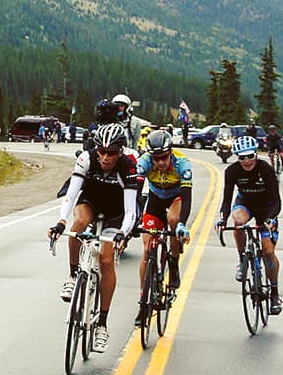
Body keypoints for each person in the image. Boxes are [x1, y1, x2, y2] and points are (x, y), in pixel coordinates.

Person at [47, 123, 139, 354]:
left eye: (111, 153)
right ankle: (72, 274)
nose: (105, 157)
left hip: (115, 213)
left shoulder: (128, 166)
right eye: (101, 152)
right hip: (90, 202)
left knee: (107, 262)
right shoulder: (87, 158)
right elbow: (71, 195)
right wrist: (60, 221)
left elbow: (130, 211)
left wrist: (122, 233)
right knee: (78, 224)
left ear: (120, 151)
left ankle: (102, 325)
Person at [214, 136, 283, 315]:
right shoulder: (232, 171)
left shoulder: (266, 169)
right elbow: (227, 198)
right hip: (245, 203)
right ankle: (242, 259)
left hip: (267, 208)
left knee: (268, 252)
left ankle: (274, 293)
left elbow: (277, 201)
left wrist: (270, 219)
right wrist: (223, 219)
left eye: (249, 156)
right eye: (241, 157)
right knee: (237, 221)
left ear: (256, 155)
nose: (246, 161)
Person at [133, 130, 191, 325]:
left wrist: (182, 224)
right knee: (147, 248)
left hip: (176, 198)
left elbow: (187, 196)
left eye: (164, 158)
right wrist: (134, 219)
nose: (160, 163)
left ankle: (173, 263)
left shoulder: (182, 163)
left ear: (171, 152)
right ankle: (143, 303)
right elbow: (135, 192)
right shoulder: (144, 162)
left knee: (173, 220)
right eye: (156, 158)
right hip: (155, 199)